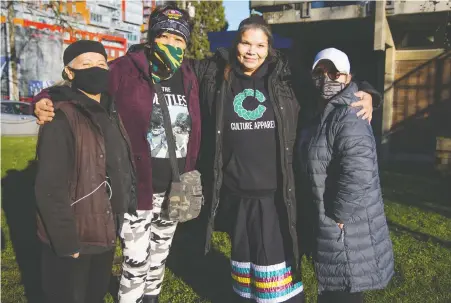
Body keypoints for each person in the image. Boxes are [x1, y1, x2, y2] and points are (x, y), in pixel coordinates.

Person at [192, 16, 380, 302]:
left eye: (259, 44)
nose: (251, 51)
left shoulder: (285, 77)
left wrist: (368, 92)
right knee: (246, 280)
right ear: (236, 44)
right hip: (238, 198)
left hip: (277, 198)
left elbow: (333, 84)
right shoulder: (214, 74)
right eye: (245, 42)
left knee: (279, 283)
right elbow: (178, 69)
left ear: (270, 48)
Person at [32, 5, 200, 303]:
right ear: (151, 39)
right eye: (164, 37)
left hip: (175, 184)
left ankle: (152, 298)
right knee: (136, 260)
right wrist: (43, 98)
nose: (172, 46)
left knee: (160, 255)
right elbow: (79, 88)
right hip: (138, 183)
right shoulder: (125, 68)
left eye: (179, 41)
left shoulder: (188, 74)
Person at [35, 40, 136, 303]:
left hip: (103, 229)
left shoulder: (110, 109)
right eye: (86, 64)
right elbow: (50, 187)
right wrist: (67, 243)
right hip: (76, 236)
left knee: (95, 295)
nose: (96, 69)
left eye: (101, 64)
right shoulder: (60, 116)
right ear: (69, 72)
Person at [296, 48, 394, 303]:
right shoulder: (318, 109)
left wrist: (340, 214)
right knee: (333, 287)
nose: (327, 78)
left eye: (334, 73)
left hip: (342, 223)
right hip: (327, 218)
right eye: (321, 72)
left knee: (344, 289)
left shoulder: (350, 113)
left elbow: (359, 171)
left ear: (348, 78)